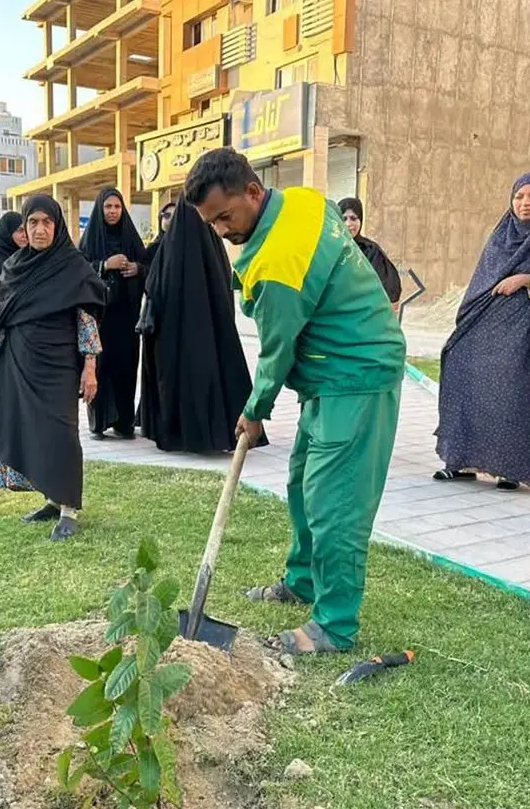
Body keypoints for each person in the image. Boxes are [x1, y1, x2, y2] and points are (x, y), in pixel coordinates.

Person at [184, 147, 407, 657]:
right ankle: (302, 580)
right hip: (328, 374)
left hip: (356, 376)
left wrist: (255, 410)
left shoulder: (280, 264)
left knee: (334, 504)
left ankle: (335, 623)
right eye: (211, 222)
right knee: (302, 486)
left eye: (225, 216)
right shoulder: (304, 200)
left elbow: (277, 349)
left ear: (254, 193)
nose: (221, 230)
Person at [433, 173, 530, 491]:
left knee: (517, 393)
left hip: (528, 331)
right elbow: (483, 279)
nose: (525, 203)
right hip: (486, 323)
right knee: (464, 372)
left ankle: (511, 467)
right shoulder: (503, 233)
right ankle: (461, 460)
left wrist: (528, 279)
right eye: (518, 197)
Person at [0, 194, 106, 542]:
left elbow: (86, 320)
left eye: (47, 222)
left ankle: (69, 509)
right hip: (19, 365)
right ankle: (51, 498)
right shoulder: (13, 269)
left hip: (58, 365)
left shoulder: (72, 267)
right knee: (31, 433)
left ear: (57, 226)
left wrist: (90, 366)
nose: (40, 229)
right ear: (25, 227)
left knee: (61, 433)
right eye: (33, 222)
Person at [139, 197, 257, 453]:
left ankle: (177, 434)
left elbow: (153, 290)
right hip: (208, 339)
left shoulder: (168, 252)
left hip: (171, 340)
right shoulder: (211, 249)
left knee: (175, 383)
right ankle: (210, 434)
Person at [79, 188, 148, 440]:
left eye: (117, 207)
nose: (112, 212)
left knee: (126, 367)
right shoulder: (90, 241)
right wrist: (104, 266)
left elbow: (148, 266)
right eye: (108, 207)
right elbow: (78, 270)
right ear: (100, 209)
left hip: (127, 318)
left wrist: (136, 268)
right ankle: (98, 423)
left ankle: (124, 423)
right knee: (100, 368)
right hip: (99, 319)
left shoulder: (131, 238)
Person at [338, 197, 402, 308]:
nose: (348, 224)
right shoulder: (331, 249)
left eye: (353, 218)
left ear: (360, 221)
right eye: (344, 219)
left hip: (363, 313)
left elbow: (389, 287)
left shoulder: (371, 250)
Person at [142, 201, 176, 271]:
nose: (171, 220)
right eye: (167, 215)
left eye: (176, 217)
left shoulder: (187, 248)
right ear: (160, 219)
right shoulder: (153, 248)